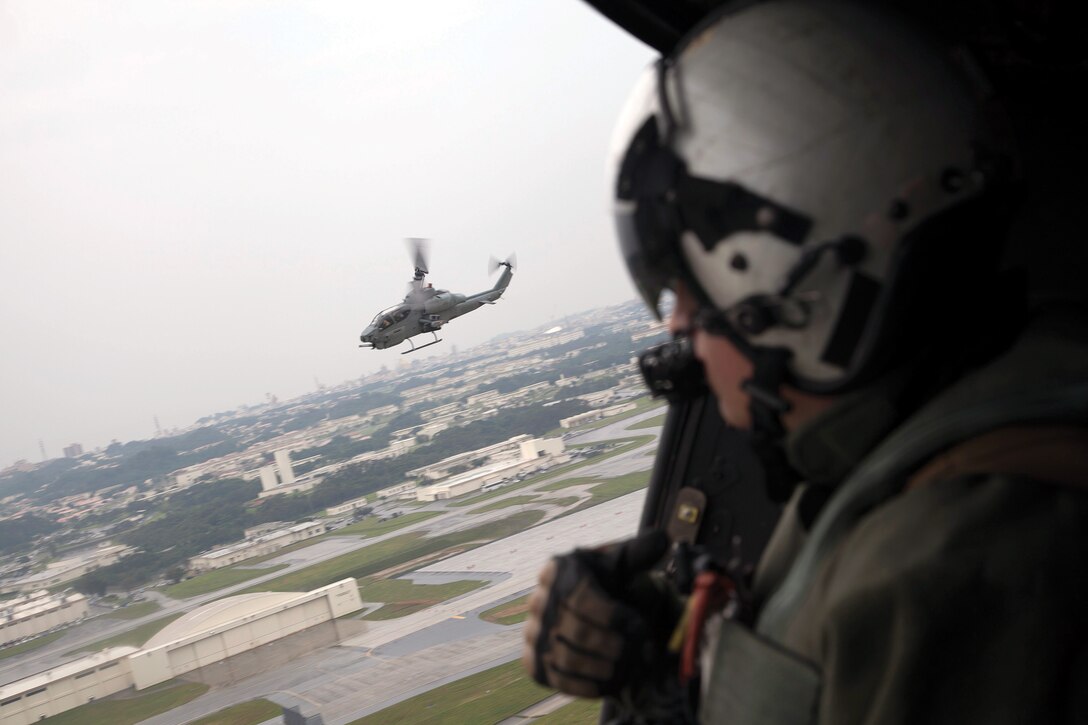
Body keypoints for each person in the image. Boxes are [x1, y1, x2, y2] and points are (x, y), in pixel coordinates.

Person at [523, 1, 1088, 723]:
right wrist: (662, 626)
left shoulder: (942, 575)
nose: (678, 325)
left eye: (691, 292)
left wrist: (660, 701)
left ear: (798, 291)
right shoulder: (939, 431)